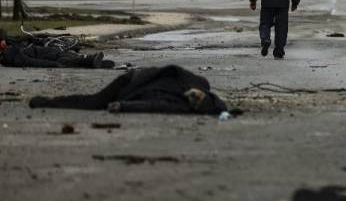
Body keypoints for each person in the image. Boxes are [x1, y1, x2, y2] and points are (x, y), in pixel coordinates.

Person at [28, 65, 228, 115]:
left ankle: (46, 102)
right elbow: (171, 69)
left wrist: (124, 106)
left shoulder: (182, 106)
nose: (193, 97)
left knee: (94, 103)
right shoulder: (198, 81)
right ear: (205, 93)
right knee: (94, 102)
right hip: (131, 81)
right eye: (199, 97)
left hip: (131, 92)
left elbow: (154, 106)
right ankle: (47, 102)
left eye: (195, 102)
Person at [0, 30, 114, 69]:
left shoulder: (9, 46)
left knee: (60, 53)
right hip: (32, 55)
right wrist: (52, 65)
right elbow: (30, 62)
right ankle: (87, 61)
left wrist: (5, 39)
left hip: (35, 50)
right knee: (60, 61)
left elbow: (3, 32)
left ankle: (87, 61)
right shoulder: (8, 55)